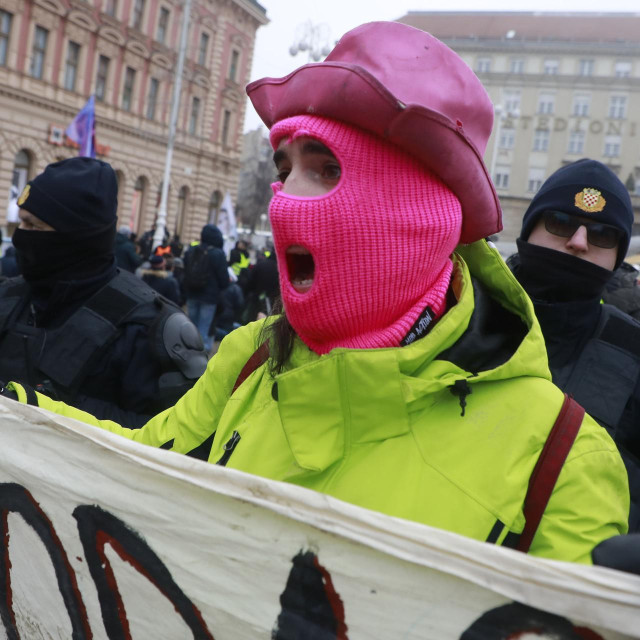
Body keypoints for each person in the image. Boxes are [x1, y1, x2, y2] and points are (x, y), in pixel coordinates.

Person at [0, 23, 628, 563]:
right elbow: (136, 461)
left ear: (417, 207)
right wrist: (17, 406)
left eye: (327, 169)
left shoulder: (561, 459)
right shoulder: (249, 357)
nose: (286, 199)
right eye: (283, 169)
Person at [0, 157, 208, 428]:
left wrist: (49, 408)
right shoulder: (9, 297)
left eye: (34, 226)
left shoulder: (149, 329)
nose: (20, 236)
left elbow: (176, 438)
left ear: (76, 237)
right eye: (22, 223)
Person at [509, 159, 640, 532]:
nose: (578, 242)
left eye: (601, 234)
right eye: (560, 223)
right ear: (529, 230)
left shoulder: (634, 349)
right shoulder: (461, 314)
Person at [183, 224, 229, 352]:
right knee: (204, 328)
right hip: (209, 297)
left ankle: (187, 350)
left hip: (192, 293)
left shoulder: (192, 250)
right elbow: (224, 280)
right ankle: (199, 356)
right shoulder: (218, 254)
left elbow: (185, 270)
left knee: (191, 326)